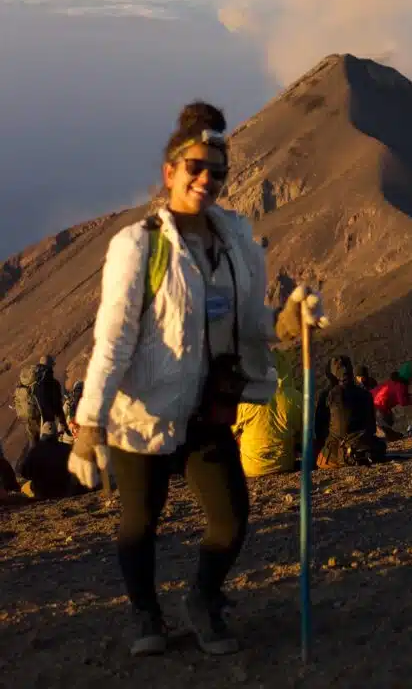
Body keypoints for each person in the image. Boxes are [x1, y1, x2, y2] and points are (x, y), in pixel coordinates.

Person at [68, 101, 326, 659]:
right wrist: (90, 425)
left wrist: (286, 321)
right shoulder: (138, 246)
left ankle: (203, 599)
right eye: (195, 168)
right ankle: (145, 614)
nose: (207, 179)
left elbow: (249, 322)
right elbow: (113, 339)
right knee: (139, 523)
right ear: (170, 172)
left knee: (231, 520)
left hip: (209, 407)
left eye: (218, 171)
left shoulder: (235, 239)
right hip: (145, 412)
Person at [232, 347, 302, 478]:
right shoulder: (295, 397)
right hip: (284, 465)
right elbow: (305, 436)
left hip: (251, 468)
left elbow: (231, 431)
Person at [315, 356, 386, 468]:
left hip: (339, 454)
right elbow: (372, 427)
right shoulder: (366, 394)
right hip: (368, 449)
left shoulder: (328, 395)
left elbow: (319, 430)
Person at [13, 354, 68, 463]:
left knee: (33, 444)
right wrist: (62, 422)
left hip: (30, 418)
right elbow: (57, 406)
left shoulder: (31, 381)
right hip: (45, 421)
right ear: (51, 366)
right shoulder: (52, 383)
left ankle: (30, 471)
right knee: (49, 448)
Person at [18, 422, 82, 499]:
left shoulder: (35, 451)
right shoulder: (67, 448)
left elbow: (24, 472)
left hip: (43, 493)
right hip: (65, 490)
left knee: (25, 487)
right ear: (56, 434)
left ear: (42, 434)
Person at [372, 363, 412, 440]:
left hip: (376, 401)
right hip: (379, 405)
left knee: (388, 420)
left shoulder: (393, 382)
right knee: (385, 423)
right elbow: (402, 401)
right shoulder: (401, 385)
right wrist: (411, 400)